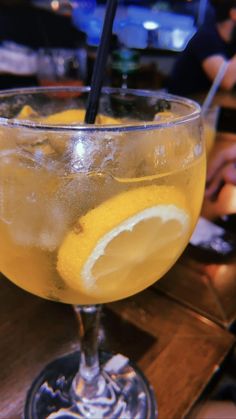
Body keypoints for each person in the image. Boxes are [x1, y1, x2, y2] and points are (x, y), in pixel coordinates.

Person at [167, 0, 236, 97]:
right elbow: (226, 80)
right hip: (183, 104)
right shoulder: (206, 37)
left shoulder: (231, 42)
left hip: (208, 101)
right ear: (234, 14)